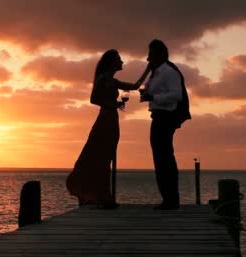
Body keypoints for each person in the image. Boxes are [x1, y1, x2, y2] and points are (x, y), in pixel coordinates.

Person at [67, 49, 150, 209]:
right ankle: (103, 197)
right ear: (112, 62)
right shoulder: (103, 78)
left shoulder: (113, 81)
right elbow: (93, 99)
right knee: (101, 157)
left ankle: (103, 196)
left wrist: (148, 68)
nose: (122, 62)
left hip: (112, 117)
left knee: (107, 157)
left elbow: (135, 86)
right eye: (119, 59)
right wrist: (111, 104)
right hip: (105, 118)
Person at [140, 39, 191, 210]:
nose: (148, 59)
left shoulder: (169, 72)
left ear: (160, 55)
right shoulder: (157, 72)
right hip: (158, 116)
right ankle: (168, 198)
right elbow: (148, 89)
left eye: (151, 55)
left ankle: (171, 199)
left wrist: (153, 98)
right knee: (161, 157)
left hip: (166, 116)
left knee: (164, 157)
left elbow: (177, 95)